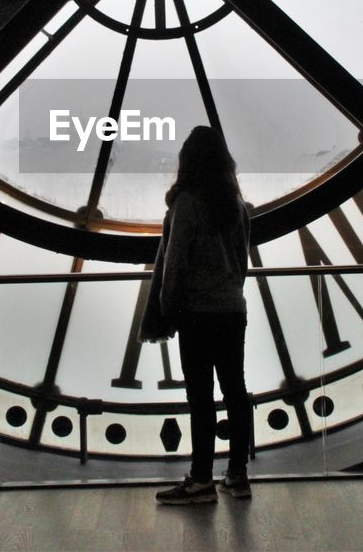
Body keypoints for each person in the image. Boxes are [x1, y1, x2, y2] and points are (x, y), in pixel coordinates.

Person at [145, 126, 252, 505]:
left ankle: (201, 479)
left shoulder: (187, 204)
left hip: (198, 313)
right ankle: (237, 475)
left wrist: (166, 308)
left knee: (200, 398)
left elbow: (174, 264)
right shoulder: (236, 206)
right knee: (235, 391)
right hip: (231, 309)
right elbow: (242, 262)